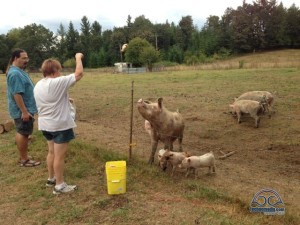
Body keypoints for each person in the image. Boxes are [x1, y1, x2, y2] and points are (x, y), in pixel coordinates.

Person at [34, 53, 84, 194]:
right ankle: (60, 185)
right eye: (59, 70)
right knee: (59, 156)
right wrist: (78, 58)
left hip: (45, 125)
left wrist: (65, 100)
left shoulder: (39, 84)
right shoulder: (57, 82)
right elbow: (79, 74)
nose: (60, 72)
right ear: (55, 71)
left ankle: (51, 178)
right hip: (60, 125)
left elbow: (50, 99)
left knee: (51, 152)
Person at [6, 48, 41, 167]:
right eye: (24, 58)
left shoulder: (18, 71)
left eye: (27, 57)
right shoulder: (15, 73)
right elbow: (17, 94)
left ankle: (23, 156)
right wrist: (24, 111)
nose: (27, 60)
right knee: (23, 133)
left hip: (25, 109)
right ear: (16, 58)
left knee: (23, 132)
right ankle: (24, 160)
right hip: (23, 111)